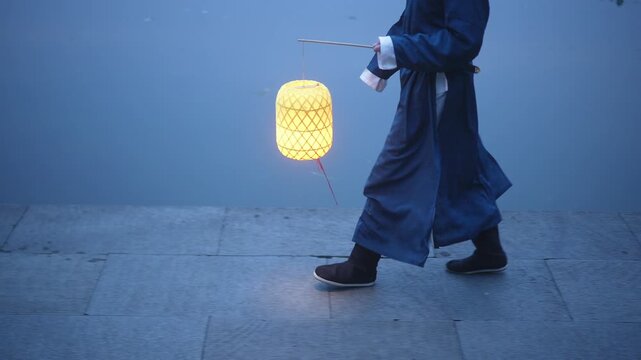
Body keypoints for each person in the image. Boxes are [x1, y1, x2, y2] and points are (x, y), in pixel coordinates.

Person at [314, 0, 512, 287]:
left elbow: (462, 41)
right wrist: (381, 63)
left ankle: (362, 263)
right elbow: (413, 20)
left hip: (438, 89)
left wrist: (398, 49)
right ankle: (490, 250)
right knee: (461, 165)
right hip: (431, 82)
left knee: (396, 169)